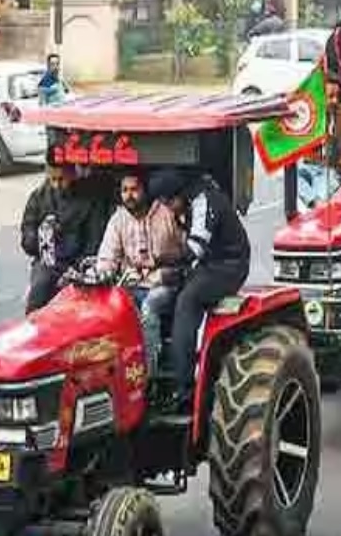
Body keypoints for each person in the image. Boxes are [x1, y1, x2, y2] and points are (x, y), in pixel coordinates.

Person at [150, 170, 251, 410]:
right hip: (207, 264)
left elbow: (195, 248)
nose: (168, 209)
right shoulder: (189, 202)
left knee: (187, 301)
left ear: (179, 195)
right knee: (165, 294)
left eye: (168, 202)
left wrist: (159, 260)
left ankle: (184, 387)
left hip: (229, 266)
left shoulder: (205, 200)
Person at [96, 171, 186, 378]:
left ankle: (148, 374)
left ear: (145, 190)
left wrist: (170, 267)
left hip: (165, 284)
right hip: (132, 284)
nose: (129, 195)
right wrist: (103, 273)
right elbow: (107, 257)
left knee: (149, 307)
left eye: (134, 189)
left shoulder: (166, 213)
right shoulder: (118, 219)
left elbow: (187, 249)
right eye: (125, 190)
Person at [20, 160, 98, 312]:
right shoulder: (38, 197)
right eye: (53, 180)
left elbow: (93, 242)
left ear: (72, 174)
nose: (57, 185)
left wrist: (77, 268)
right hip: (47, 263)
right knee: (39, 291)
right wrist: (41, 236)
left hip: (77, 264)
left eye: (61, 179)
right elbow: (27, 237)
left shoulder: (88, 200)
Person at [298, 74, 341, 210]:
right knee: (292, 180)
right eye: (330, 96)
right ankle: (314, 203)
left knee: (323, 189)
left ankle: (317, 205)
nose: (334, 100)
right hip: (310, 165)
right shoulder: (311, 114)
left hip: (332, 169)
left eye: (337, 96)